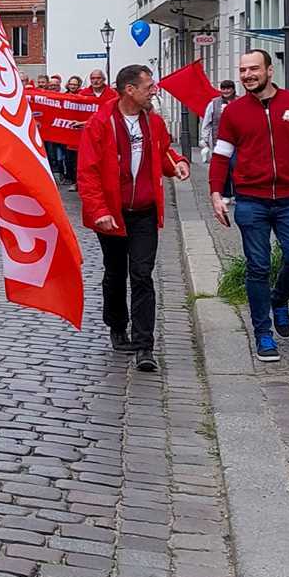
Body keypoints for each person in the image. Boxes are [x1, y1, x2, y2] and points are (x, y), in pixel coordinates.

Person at [209, 49, 289, 362]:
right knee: (258, 267)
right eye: (242, 70)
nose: (247, 75)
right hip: (251, 201)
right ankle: (263, 333)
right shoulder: (234, 112)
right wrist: (215, 194)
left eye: (253, 68)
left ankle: (279, 299)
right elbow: (221, 155)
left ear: (269, 70)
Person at [77, 64, 189, 373]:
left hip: (144, 212)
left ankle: (144, 345)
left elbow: (164, 152)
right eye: (148, 85)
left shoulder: (153, 122)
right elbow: (87, 173)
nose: (154, 89)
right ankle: (117, 325)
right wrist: (98, 211)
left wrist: (177, 163)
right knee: (115, 273)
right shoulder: (100, 124)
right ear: (130, 90)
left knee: (142, 275)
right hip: (112, 214)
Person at [201, 79, 237, 163]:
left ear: (233, 89)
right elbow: (207, 122)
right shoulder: (213, 103)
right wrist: (205, 139)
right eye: (223, 89)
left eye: (228, 89)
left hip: (237, 140)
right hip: (218, 139)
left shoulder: (239, 101)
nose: (225, 91)